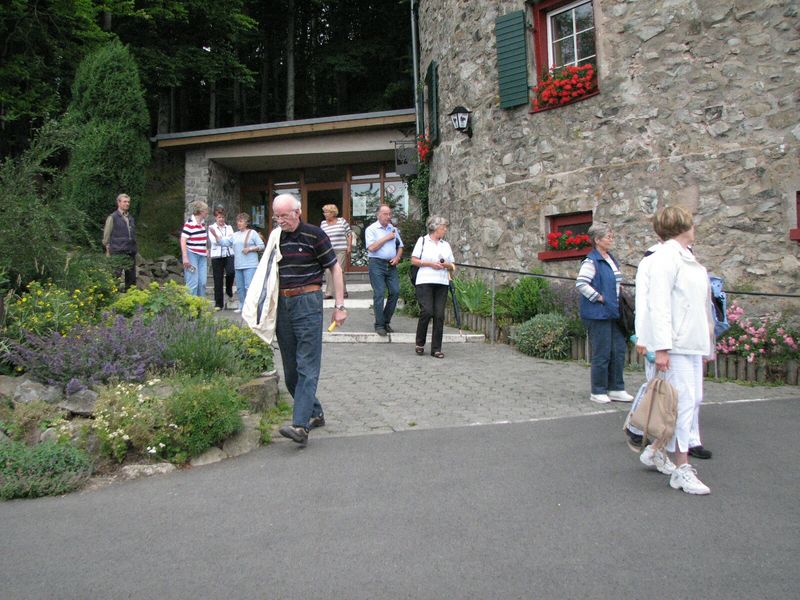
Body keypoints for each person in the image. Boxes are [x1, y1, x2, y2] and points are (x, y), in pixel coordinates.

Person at [645, 206, 715, 495]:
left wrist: (706, 345)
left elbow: (699, 305)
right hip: (676, 343)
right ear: (682, 226)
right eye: (691, 223)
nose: (694, 228)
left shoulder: (686, 257)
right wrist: (661, 348)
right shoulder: (665, 258)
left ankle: (656, 450)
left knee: (692, 400)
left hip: (691, 342)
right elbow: (659, 305)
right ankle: (681, 467)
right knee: (682, 404)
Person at [271, 194, 347, 445]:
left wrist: (339, 306)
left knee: (307, 365)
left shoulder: (315, 235)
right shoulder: (276, 238)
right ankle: (315, 413)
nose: (280, 220)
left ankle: (300, 426)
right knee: (291, 373)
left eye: (284, 215)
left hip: (308, 301)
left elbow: (335, 268)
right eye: (277, 216)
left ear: (298, 212)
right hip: (283, 304)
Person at [576, 222, 633, 404]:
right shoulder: (591, 261)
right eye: (608, 237)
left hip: (613, 312)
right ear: (597, 240)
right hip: (598, 314)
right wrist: (599, 297)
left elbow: (613, 280)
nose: (611, 239)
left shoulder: (610, 258)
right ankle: (598, 390)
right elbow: (581, 283)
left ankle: (616, 388)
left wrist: (617, 289)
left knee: (618, 350)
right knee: (602, 353)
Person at [411, 215, 455, 358]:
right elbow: (414, 260)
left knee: (439, 315)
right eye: (443, 227)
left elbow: (452, 265)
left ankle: (436, 349)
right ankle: (420, 343)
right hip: (425, 280)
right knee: (427, 311)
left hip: (442, 282)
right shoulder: (423, 240)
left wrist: (446, 265)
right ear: (435, 228)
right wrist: (430, 264)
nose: (445, 230)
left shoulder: (445, 245)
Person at [365, 204, 403, 336]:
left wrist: (397, 257)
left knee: (395, 291)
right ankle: (379, 325)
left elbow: (400, 246)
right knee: (379, 293)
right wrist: (387, 237)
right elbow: (371, 248)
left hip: (391, 265)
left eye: (390, 214)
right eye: (386, 214)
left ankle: (386, 321)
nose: (389, 217)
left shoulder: (393, 229)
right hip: (376, 264)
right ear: (378, 215)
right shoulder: (371, 229)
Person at [224, 213, 265, 313]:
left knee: (249, 287)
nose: (239, 223)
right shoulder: (235, 235)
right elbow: (224, 242)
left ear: (246, 223)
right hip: (238, 265)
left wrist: (250, 249)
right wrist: (216, 236)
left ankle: (251, 307)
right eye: (238, 221)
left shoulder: (252, 233)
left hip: (250, 265)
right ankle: (242, 306)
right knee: (240, 288)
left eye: (241, 221)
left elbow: (261, 246)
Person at [102, 193, 138, 291]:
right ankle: (112, 296)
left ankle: (131, 297)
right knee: (114, 277)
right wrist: (107, 248)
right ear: (119, 203)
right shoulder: (112, 217)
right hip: (117, 251)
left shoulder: (131, 218)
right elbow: (106, 235)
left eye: (128, 202)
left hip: (130, 251)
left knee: (131, 280)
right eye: (125, 202)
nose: (127, 204)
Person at [319, 204, 352, 299]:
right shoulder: (323, 224)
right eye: (324, 212)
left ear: (333, 213)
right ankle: (329, 293)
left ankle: (342, 291)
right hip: (328, 251)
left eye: (326, 212)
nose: (324, 214)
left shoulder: (342, 221)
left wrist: (349, 246)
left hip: (341, 250)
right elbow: (321, 237)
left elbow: (349, 234)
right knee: (328, 271)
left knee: (339, 270)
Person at [180, 200, 209, 297]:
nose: (207, 212)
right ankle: (190, 304)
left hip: (202, 256)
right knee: (193, 283)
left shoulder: (202, 223)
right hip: (191, 255)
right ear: (201, 211)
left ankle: (201, 304)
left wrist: (205, 248)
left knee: (202, 282)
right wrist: (185, 257)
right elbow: (183, 240)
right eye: (206, 210)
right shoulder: (189, 224)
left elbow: (202, 238)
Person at [208, 207, 235, 311]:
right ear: (215, 218)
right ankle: (218, 303)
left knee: (231, 272)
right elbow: (214, 241)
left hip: (229, 254)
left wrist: (220, 239)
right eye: (219, 217)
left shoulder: (229, 227)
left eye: (223, 217)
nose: (221, 219)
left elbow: (231, 240)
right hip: (217, 256)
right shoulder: (211, 228)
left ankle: (229, 290)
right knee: (218, 279)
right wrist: (224, 240)